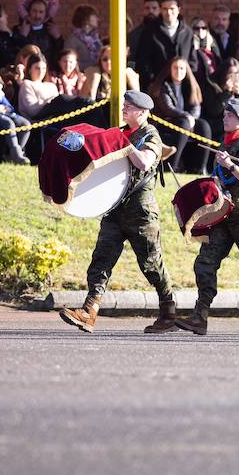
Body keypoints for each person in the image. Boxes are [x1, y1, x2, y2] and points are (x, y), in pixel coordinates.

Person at [60, 90, 176, 334]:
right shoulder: (121, 133)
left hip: (140, 210)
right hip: (114, 206)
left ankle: (168, 311)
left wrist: (126, 146)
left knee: (151, 264)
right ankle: (89, 311)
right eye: (124, 104)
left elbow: (144, 162)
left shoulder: (150, 135)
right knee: (101, 258)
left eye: (130, 106)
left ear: (143, 112)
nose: (124, 108)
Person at [175, 98, 239, 337]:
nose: (224, 118)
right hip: (222, 216)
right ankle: (199, 317)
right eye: (224, 114)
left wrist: (231, 166)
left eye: (229, 115)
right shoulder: (224, 144)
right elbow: (217, 179)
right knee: (205, 263)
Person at [149, 57, 212, 174]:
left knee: (204, 126)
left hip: (186, 121)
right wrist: (187, 116)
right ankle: (171, 166)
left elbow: (196, 107)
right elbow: (168, 109)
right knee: (184, 123)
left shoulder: (190, 85)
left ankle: (199, 169)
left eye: (182, 68)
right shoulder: (163, 85)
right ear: (170, 69)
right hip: (165, 122)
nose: (178, 71)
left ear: (186, 70)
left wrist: (191, 118)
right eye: (175, 68)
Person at [133, 0, 194, 90]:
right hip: (159, 87)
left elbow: (193, 60)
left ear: (179, 9)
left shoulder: (187, 32)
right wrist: (152, 81)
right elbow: (142, 59)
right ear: (161, 10)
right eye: (165, 9)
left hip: (183, 86)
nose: (168, 12)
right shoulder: (150, 31)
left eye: (172, 8)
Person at [63, 5, 103, 71]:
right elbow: (68, 62)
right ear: (86, 19)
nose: (98, 19)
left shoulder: (96, 39)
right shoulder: (72, 40)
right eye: (95, 16)